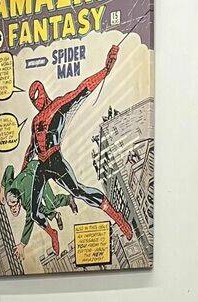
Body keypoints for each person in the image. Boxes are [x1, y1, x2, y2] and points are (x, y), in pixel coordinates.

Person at [19, 46, 134, 242]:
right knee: (33, 210)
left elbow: (82, 89)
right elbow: (31, 147)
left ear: (43, 92)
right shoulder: (35, 120)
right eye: (33, 100)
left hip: (55, 160)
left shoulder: (58, 105)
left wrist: (106, 70)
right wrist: (23, 169)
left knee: (78, 191)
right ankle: (53, 234)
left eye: (37, 96)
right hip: (42, 165)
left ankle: (117, 217)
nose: (36, 102)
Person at [2, 160, 67, 260]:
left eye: (14, 205)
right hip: (29, 183)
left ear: (19, 201)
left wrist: (22, 244)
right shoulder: (9, 190)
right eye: (11, 207)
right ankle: (55, 216)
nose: (13, 209)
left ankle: (68, 200)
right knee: (37, 209)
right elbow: (9, 168)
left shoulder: (27, 201)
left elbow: (29, 222)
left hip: (37, 173)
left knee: (50, 204)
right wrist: (2, 188)